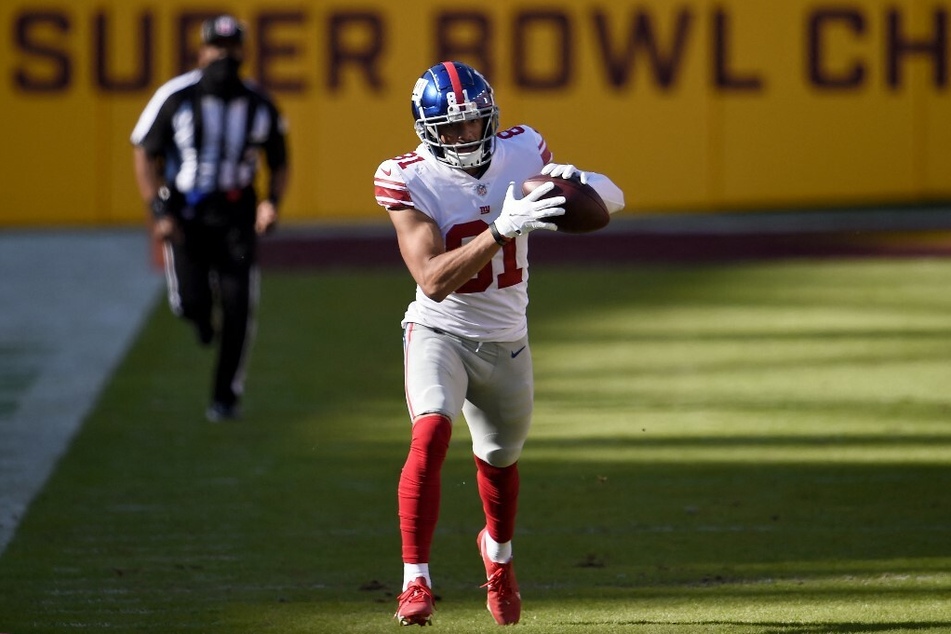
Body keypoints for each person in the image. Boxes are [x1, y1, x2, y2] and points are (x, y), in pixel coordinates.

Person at [373, 61, 625, 626]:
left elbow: (615, 200)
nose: (466, 137)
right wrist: (501, 229)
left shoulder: (524, 150)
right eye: (452, 127)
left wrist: (578, 182)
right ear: (426, 129)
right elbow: (433, 280)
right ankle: (416, 580)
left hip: (507, 337)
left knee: (500, 462)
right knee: (431, 429)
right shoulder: (406, 177)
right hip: (440, 329)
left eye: (475, 123)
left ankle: (499, 557)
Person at [130, 14, 289, 422]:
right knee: (189, 301)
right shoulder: (176, 95)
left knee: (239, 306)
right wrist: (158, 210)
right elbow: (144, 150)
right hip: (187, 212)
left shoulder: (258, 102)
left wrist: (271, 201)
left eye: (232, 47)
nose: (224, 56)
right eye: (217, 48)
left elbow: (280, 157)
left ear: (243, 52)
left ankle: (225, 397)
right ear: (201, 51)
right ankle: (201, 319)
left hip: (236, 213)